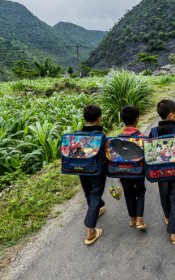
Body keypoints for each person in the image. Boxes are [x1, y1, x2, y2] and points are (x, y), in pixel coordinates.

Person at [148, 99, 175, 244]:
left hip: (160, 173)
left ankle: (168, 217)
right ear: (171, 115)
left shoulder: (153, 132)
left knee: (164, 195)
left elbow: (149, 153)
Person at [80, 105, 107, 245]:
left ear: (84, 118)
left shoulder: (77, 135)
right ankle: (90, 231)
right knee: (96, 194)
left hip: (80, 169)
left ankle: (97, 208)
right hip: (96, 171)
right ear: (99, 119)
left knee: (89, 193)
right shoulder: (101, 136)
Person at [118, 105, 147, 230]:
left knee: (128, 193)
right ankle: (140, 220)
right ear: (137, 119)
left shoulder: (118, 138)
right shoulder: (143, 137)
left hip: (123, 171)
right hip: (138, 171)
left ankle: (132, 219)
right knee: (140, 193)